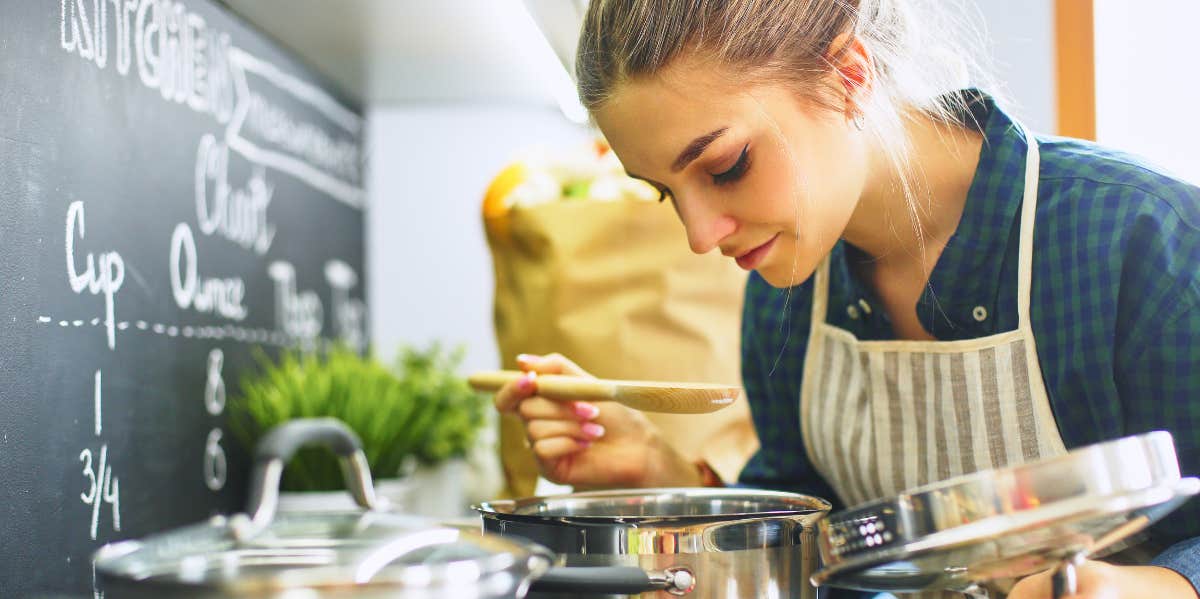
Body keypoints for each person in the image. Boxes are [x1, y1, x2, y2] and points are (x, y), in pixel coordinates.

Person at [490, 1, 1200, 596]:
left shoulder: (1137, 238)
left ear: (847, 75)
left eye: (726, 166)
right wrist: (656, 471)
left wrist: (1161, 586)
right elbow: (813, 556)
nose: (701, 236)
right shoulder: (787, 292)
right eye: (666, 193)